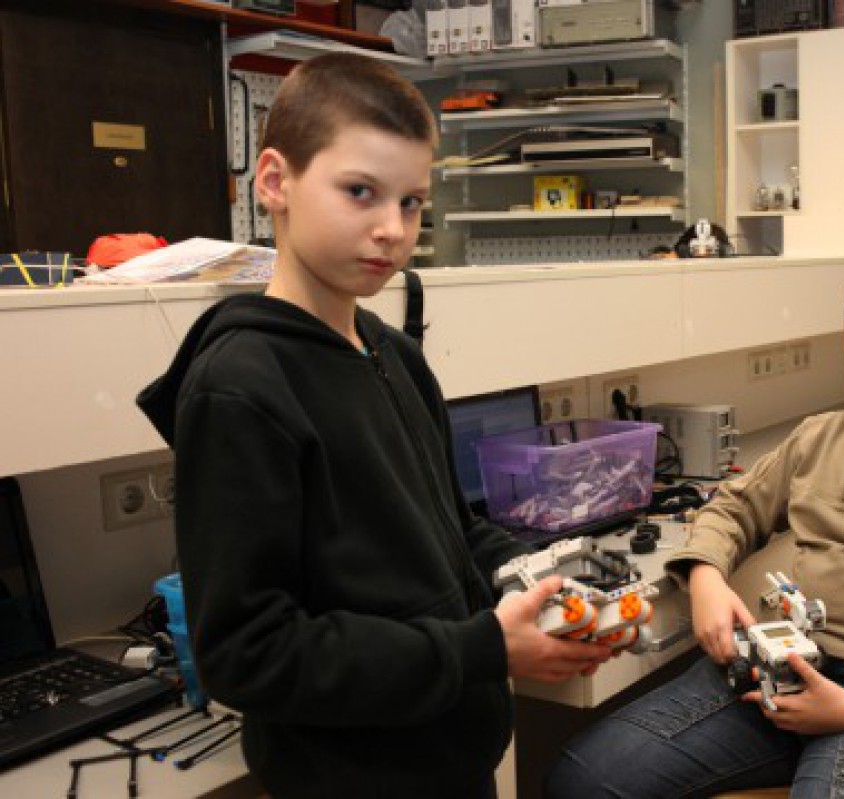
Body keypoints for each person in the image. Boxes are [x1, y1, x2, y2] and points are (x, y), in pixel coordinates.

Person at [137, 53, 611, 798]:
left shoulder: (393, 353)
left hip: (451, 759)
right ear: (275, 182)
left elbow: (451, 533)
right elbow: (247, 652)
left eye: (412, 202)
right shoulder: (241, 387)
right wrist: (481, 648)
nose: (393, 229)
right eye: (360, 192)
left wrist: (548, 575)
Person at [546, 260, 844, 799]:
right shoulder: (817, 437)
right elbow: (732, 506)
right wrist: (705, 575)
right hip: (785, 663)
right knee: (582, 780)